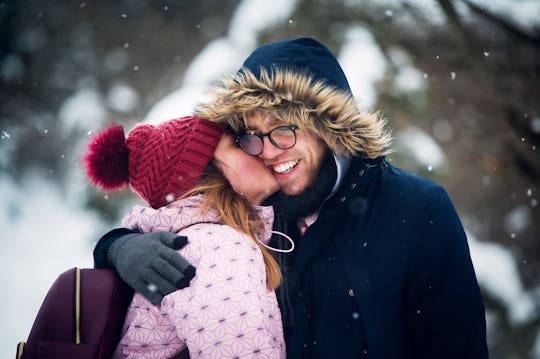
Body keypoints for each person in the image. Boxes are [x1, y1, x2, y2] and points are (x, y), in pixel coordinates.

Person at [94, 38, 489, 358]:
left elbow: (457, 347)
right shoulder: (254, 212)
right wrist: (118, 248)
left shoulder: (416, 209)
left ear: (328, 127)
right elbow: (178, 214)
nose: (267, 150)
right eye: (251, 134)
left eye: (283, 129)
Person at [84, 116, 287, 358]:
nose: (258, 147)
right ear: (207, 176)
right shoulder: (219, 246)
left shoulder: (196, 240)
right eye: (237, 142)